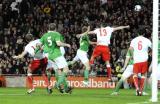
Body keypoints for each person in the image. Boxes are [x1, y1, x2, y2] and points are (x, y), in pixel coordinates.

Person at [40, 23, 72, 93]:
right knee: (64, 70)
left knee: (54, 72)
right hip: (56, 55)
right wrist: (67, 44)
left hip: (48, 56)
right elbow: (58, 43)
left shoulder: (45, 35)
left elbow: (40, 46)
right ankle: (58, 84)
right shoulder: (57, 35)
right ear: (55, 28)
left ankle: (60, 87)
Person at [128, 31, 152, 96]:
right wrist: (150, 53)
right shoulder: (147, 40)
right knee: (143, 74)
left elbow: (130, 48)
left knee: (135, 74)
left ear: (137, 33)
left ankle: (137, 88)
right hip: (144, 59)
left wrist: (132, 56)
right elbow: (152, 48)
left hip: (136, 59)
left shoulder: (134, 40)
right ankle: (141, 90)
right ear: (143, 33)